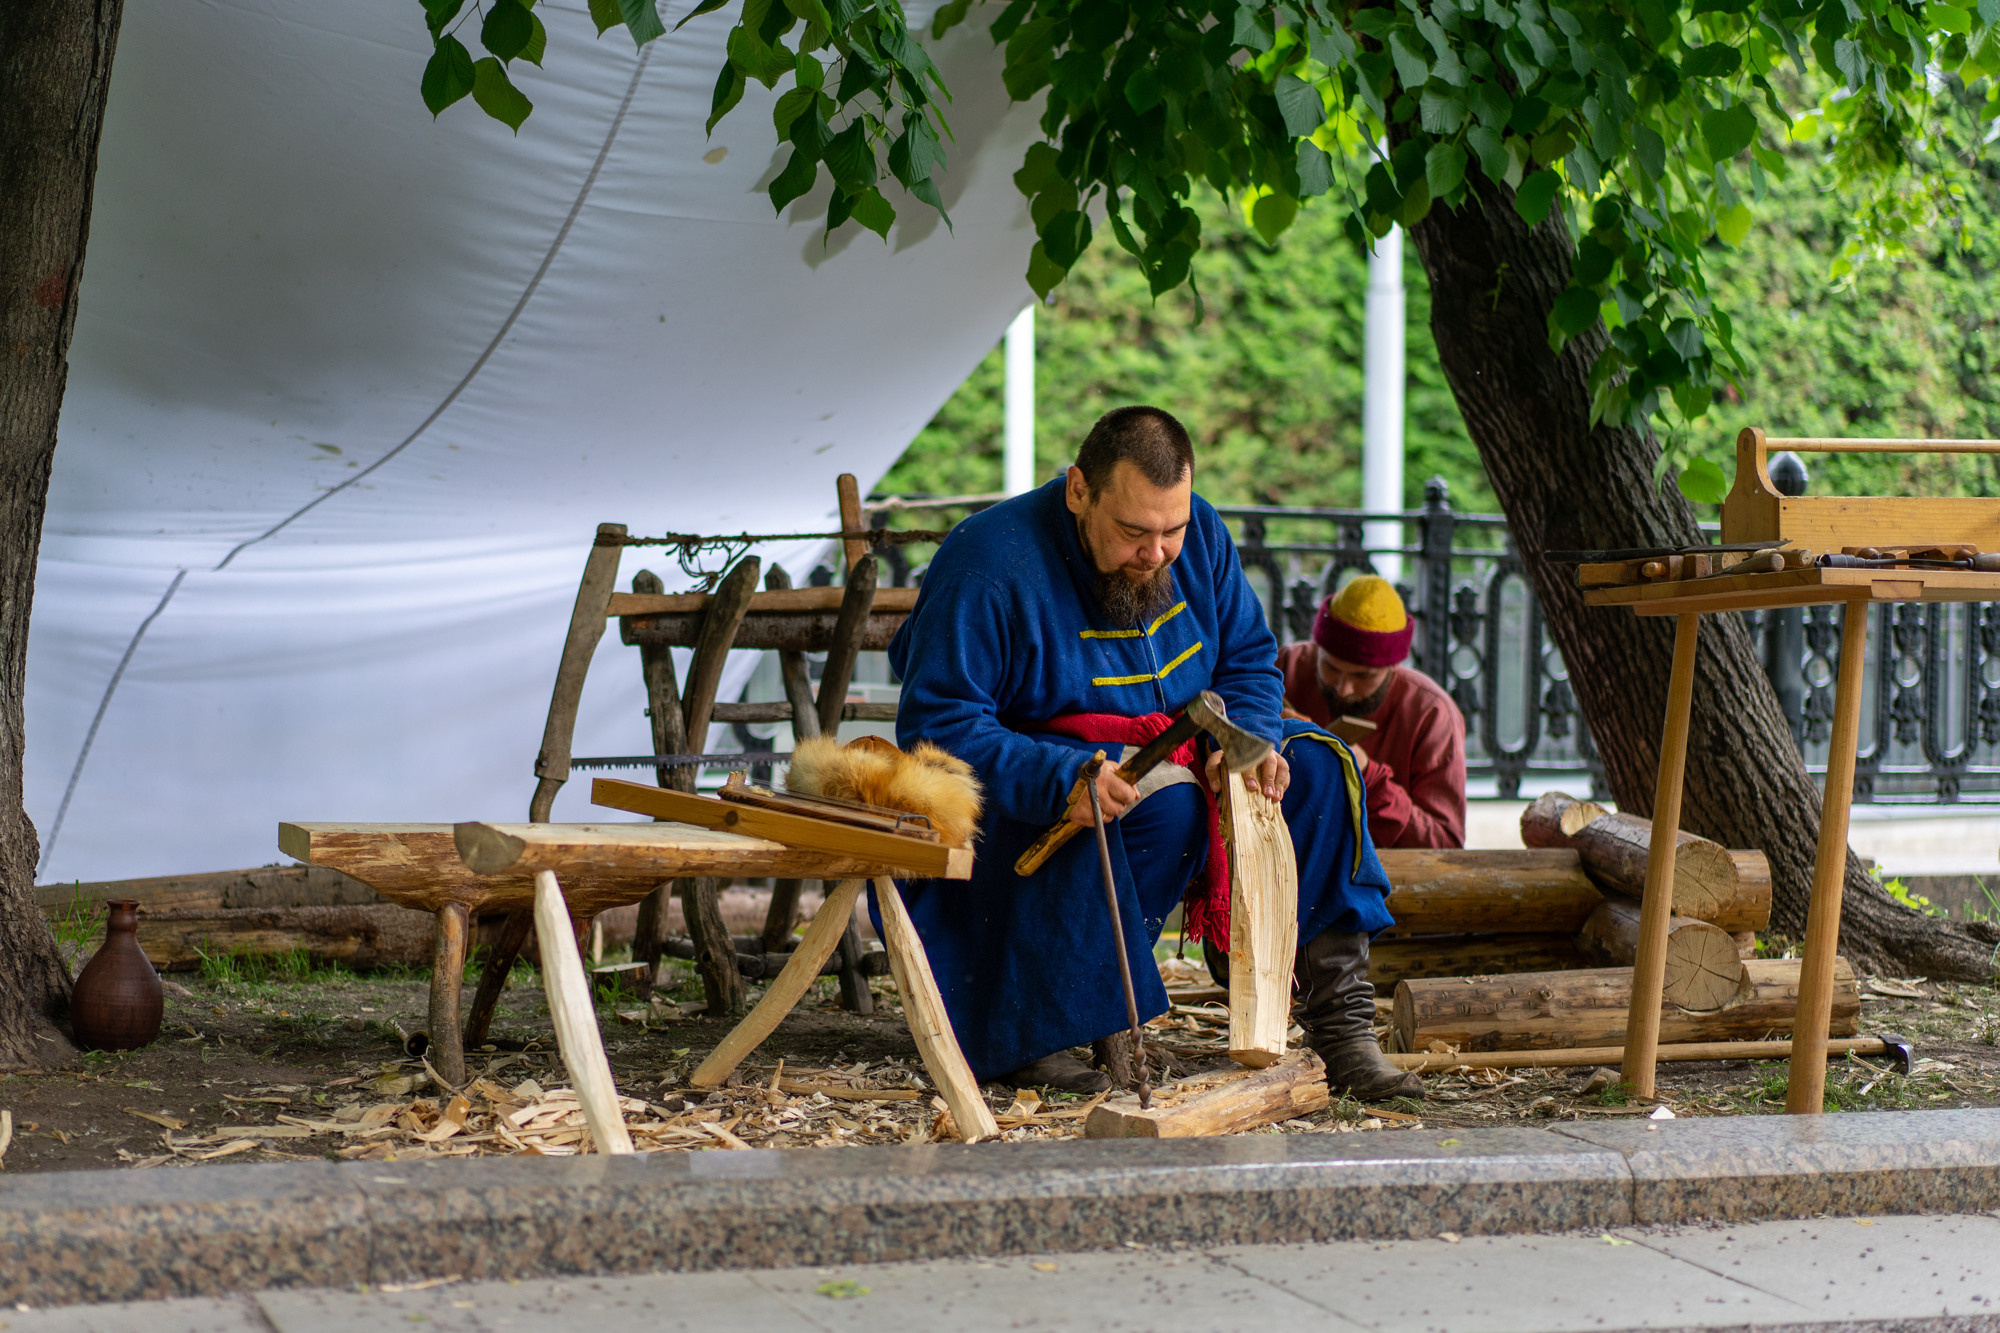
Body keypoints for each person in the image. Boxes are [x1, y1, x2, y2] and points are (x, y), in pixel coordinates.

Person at [887, 406, 1422, 1101]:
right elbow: (939, 725)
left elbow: (1250, 660)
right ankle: (1043, 1025)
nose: (1158, 552)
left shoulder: (1197, 534)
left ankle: (1343, 1032)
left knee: (1318, 768)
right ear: (1080, 489)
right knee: (1164, 803)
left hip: (1189, 740)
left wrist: (1250, 739)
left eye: (1172, 530)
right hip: (1042, 782)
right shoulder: (987, 564)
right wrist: (1057, 776)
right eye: (1134, 531)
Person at [1277, 577, 1467, 850]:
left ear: (1393, 666)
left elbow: (1445, 846)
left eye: (1363, 676)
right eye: (1330, 668)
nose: (1343, 690)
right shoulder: (1284, 669)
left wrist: (1370, 777)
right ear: (1317, 648)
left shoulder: (1432, 715)